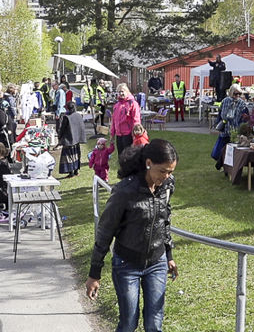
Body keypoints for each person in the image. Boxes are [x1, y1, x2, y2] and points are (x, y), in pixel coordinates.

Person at [85, 139, 179, 332]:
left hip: (157, 262)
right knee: (129, 322)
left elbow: (164, 220)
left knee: (154, 323)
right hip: (127, 264)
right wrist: (94, 274)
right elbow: (105, 232)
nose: (167, 176)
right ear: (148, 163)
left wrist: (168, 255)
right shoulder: (124, 192)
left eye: (171, 172)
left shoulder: (167, 186)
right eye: (163, 171)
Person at [213, 84, 249, 171]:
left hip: (235, 132)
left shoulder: (242, 104)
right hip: (225, 130)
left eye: (239, 94)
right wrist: (218, 124)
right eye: (235, 94)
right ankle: (222, 164)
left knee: (232, 153)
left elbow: (245, 118)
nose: (237, 96)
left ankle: (227, 168)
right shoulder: (225, 101)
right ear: (231, 93)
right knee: (218, 152)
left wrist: (242, 129)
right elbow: (220, 114)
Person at [110, 83, 141, 159]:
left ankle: (130, 170)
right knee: (120, 156)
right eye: (119, 92)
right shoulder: (116, 105)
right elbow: (113, 121)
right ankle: (122, 170)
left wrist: (135, 134)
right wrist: (112, 134)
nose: (121, 93)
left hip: (128, 134)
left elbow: (136, 119)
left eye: (122, 91)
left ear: (127, 91)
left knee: (129, 156)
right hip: (119, 135)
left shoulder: (133, 103)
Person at [58, 101, 86, 177]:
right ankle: (76, 171)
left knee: (69, 157)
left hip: (69, 140)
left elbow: (62, 129)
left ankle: (71, 173)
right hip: (76, 140)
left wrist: (59, 137)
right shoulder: (79, 116)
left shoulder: (66, 117)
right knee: (76, 156)